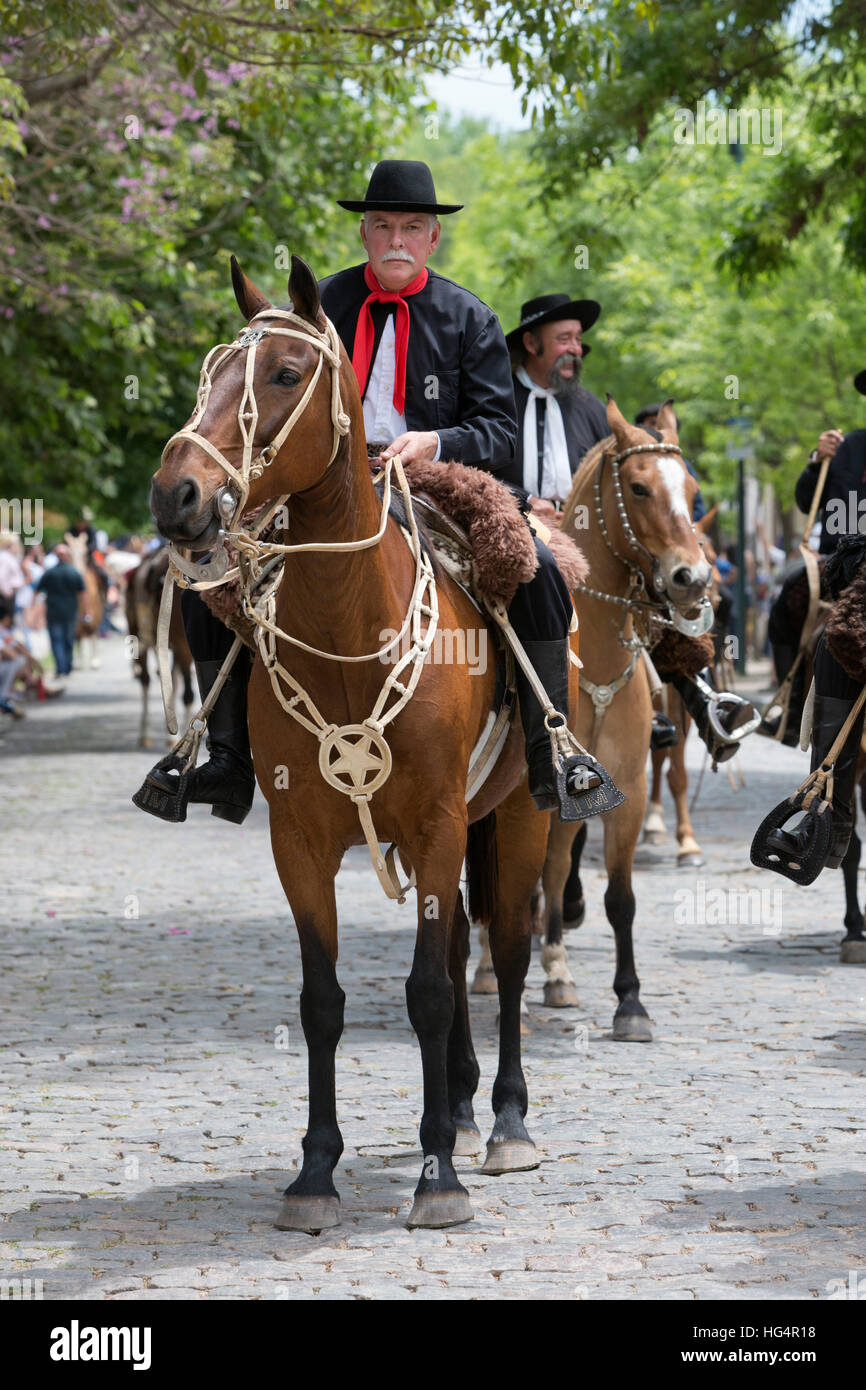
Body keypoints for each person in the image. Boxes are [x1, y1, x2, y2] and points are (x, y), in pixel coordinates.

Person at [137, 160, 608, 824]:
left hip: (436, 482)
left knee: (540, 568)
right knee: (210, 573)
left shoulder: (469, 316)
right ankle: (227, 756)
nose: (396, 239)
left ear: (431, 239)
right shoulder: (313, 309)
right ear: (363, 231)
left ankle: (550, 748)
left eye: (412, 227)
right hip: (320, 485)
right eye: (382, 225)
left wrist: (434, 442)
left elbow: (500, 431)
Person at [494, 293, 608, 519]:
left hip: (582, 536)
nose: (576, 349)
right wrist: (523, 500)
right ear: (531, 343)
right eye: (564, 339)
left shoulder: (594, 410)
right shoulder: (495, 402)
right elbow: (468, 471)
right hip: (507, 528)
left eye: (578, 339)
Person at [33, 543, 84, 677]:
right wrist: (85, 611)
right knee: (67, 639)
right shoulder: (74, 572)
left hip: (54, 612)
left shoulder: (50, 573)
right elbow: (82, 594)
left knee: (57, 640)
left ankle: (61, 668)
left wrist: (34, 609)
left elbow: (37, 591)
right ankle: (66, 667)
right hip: (68, 612)